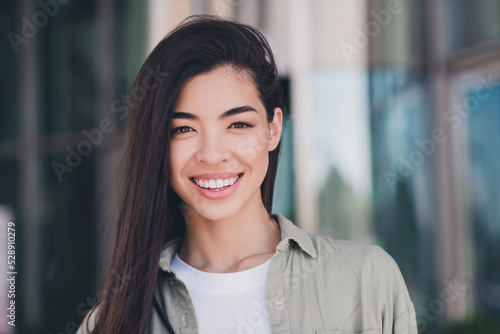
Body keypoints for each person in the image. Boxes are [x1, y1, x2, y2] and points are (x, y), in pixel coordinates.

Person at [77, 15, 417, 334]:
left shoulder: (365, 281)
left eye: (238, 124)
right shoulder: (111, 321)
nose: (212, 154)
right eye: (183, 129)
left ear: (273, 130)